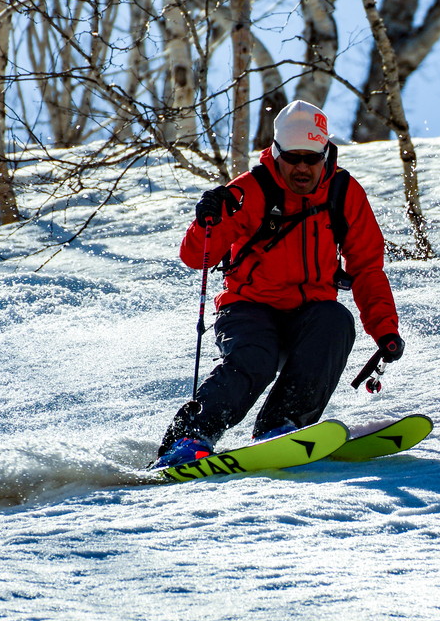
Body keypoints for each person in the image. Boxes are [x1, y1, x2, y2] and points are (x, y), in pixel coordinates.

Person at [153, 99, 405, 468]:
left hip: (308, 313)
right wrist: (211, 218)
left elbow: (367, 267)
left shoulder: (343, 193)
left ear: (326, 154)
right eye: (293, 158)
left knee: (336, 321)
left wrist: (385, 330)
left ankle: (280, 428)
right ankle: (190, 438)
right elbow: (196, 258)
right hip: (248, 306)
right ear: (277, 152)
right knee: (255, 357)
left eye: (311, 158)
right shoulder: (251, 189)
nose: (302, 167)